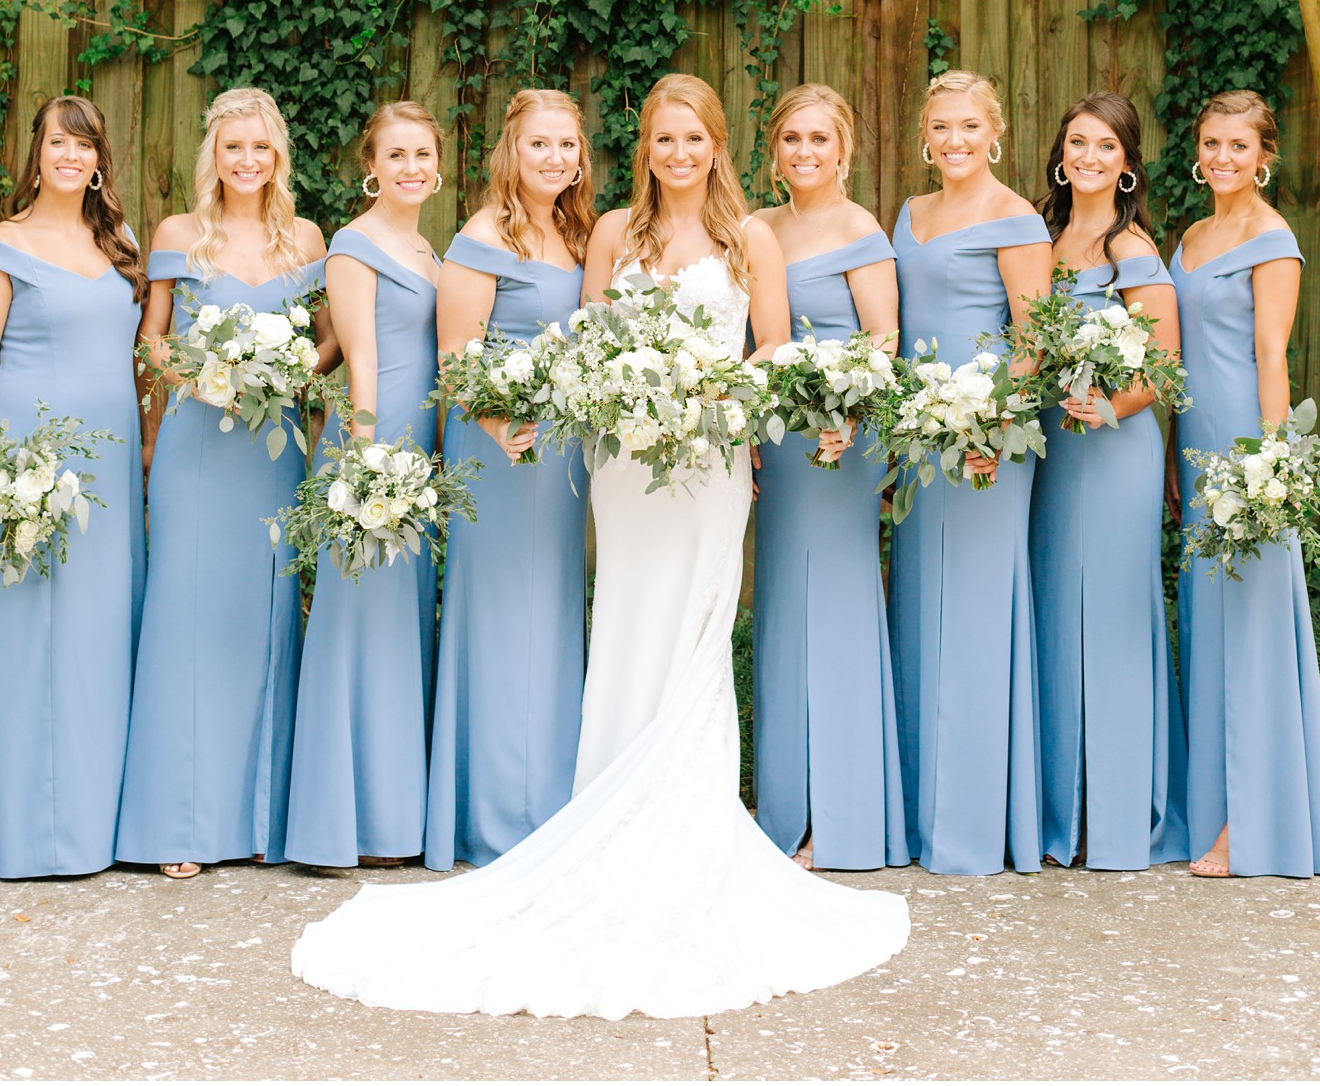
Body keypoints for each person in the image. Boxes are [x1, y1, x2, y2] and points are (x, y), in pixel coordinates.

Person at [291, 73, 910, 1018]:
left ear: (716, 144)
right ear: (644, 147)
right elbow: (583, 344)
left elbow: (772, 352)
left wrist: (711, 398)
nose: (678, 154)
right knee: (626, 621)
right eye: (662, 138)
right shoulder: (616, 233)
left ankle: (691, 831)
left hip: (706, 467)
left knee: (697, 635)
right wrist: (634, 390)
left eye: (693, 137)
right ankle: (607, 810)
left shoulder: (753, 240)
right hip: (625, 468)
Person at [116, 87, 332, 877]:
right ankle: (180, 827)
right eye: (233, 147)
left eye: (261, 148)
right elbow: (152, 340)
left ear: (279, 156)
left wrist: (292, 369)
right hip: (197, 447)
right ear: (214, 154)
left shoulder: (305, 237)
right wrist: (201, 376)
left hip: (272, 454)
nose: (247, 160)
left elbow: (335, 332)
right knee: (187, 622)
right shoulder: (179, 233)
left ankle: (259, 820)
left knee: (262, 620)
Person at [0, 97, 146, 882]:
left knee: (96, 640)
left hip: (111, 470)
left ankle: (96, 820)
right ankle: (22, 828)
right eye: (58, 140)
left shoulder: (119, 243)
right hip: (32, 464)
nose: (71, 155)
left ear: (98, 160)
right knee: (26, 636)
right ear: (38, 151)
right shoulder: (1, 246)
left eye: (84, 144)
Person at [1172, 90, 1320, 879]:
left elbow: (1272, 356)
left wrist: (1271, 465)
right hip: (1192, 445)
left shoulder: (1272, 239)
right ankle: (1213, 806)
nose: (1221, 158)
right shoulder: (1192, 233)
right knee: (1209, 624)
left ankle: (1252, 823)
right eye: (1212, 142)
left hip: (1244, 448)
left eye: (1238, 146)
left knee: (1252, 627)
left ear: (1264, 154)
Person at [423, 88, 594, 870]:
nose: (554, 158)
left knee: (552, 613)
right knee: (497, 619)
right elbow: (456, 354)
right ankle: (495, 815)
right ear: (511, 151)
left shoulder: (577, 231)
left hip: (559, 453)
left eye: (567, 145)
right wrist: (500, 424)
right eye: (539, 145)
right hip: (500, 447)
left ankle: (551, 802)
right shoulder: (484, 234)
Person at [888, 68, 1053, 876]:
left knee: (981, 612)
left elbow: (1034, 341)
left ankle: (977, 823)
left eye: (968, 126)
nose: (954, 140)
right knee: (921, 608)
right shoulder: (908, 214)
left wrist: (992, 424)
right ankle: (922, 814)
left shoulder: (1017, 217)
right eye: (941, 126)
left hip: (990, 437)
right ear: (926, 133)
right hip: (921, 435)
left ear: (996, 133)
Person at [1029, 93, 1188, 870]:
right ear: (1061, 154)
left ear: (1127, 164)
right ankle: (1063, 804)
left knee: (1116, 621)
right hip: (1052, 451)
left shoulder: (1133, 247)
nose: (1089, 156)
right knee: (1058, 617)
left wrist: (1106, 405)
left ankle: (1121, 812)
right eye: (1077, 142)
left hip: (1113, 445)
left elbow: (1164, 365)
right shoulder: (1043, 234)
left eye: (1106, 146)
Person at [750, 84, 906, 871]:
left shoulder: (861, 230)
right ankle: (785, 809)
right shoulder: (757, 227)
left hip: (841, 443)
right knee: (783, 610)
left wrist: (847, 411)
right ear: (772, 150)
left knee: (837, 608)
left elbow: (884, 340)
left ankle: (840, 816)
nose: (805, 151)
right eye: (791, 138)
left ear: (844, 150)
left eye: (820, 138)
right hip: (780, 448)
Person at [286, 102, 444, 869]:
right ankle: (335, 824)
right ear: (370, 165)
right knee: (354, 627)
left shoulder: (429, 251)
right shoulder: (353, 245)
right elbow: (360, 357)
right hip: (372, 452)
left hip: (419, 457)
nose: (411, 166)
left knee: (398, 630)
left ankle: (392, 820)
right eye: (397, 154)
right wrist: (367, 454)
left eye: (422, 152)